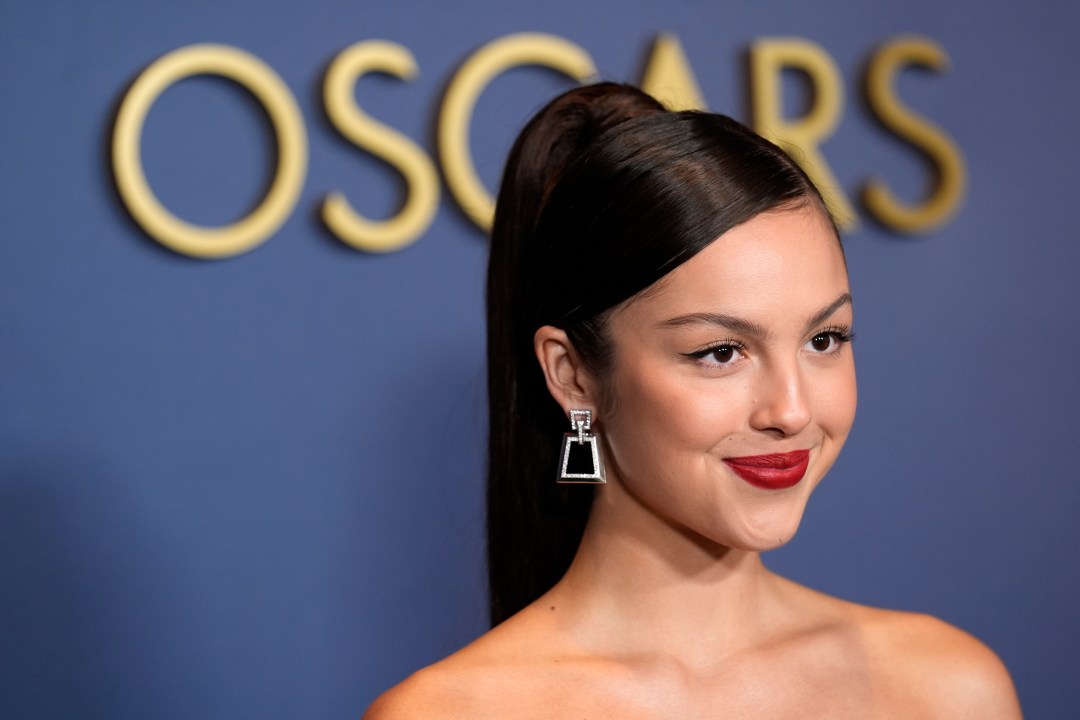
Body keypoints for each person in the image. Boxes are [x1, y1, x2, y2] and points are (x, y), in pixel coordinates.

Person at [365, 83, 1022, 718]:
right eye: (720, 353)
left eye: (825, 338)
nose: (791, 411)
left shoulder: (947, 689)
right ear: (572, 376)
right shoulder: (450, 713)